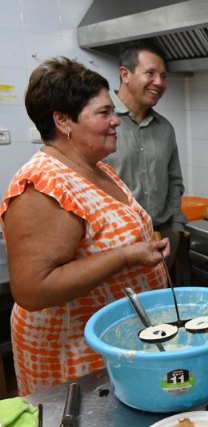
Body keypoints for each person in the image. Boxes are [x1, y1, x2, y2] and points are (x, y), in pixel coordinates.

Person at [0, 57, 169, 395]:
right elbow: (33, 290)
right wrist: (126, 256)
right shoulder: (42, 184)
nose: (115, 122)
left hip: (114, 343)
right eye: (103, 113)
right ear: (63, 121)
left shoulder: (98, 169)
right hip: (72, 355)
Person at [103, 43, 187, 269]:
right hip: (114, 246)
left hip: (162, 239)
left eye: (163, 76)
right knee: (123, 304)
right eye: (150, 73)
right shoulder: (99, 122)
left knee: (158, 303)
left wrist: (176, 229)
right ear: (125, 74)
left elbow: (174, 181)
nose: (159, 83)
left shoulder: (165, 128)